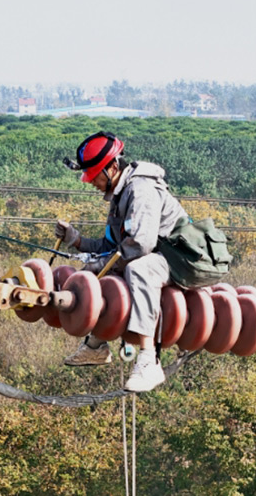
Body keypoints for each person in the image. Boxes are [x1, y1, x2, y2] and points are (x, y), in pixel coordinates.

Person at [55, 131, 188, 392]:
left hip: (183, 258)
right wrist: (76, 239)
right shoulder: (119, 196)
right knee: (105, 270)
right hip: (160, 256)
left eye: (94, 176)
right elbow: (110, 247)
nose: (91, 182)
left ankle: (149, 361)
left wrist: (103, 264)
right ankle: (96, 346)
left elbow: (140, 245)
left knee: (137, 268)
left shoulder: (141, 190)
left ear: (113, 167)